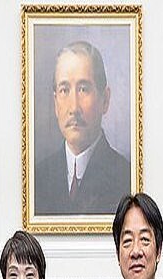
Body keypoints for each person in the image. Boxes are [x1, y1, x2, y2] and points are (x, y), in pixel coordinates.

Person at [35, 40, 131, 216]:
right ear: (55, 103)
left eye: (83, 89)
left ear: (105, 100)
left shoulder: (126, 178)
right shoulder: (37, 178)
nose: (74, 108)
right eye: (64, 90)